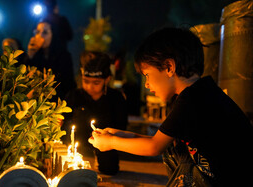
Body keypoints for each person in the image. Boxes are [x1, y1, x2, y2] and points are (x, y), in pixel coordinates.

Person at [89, 27, 253, 186]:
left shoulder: (192, 99)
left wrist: (111, 143)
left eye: (147, 75)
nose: (146, 84)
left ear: (169, 67)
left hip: (233, 181)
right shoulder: (200, 92)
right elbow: (162, 140)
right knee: (173, 147)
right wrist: (118, 135)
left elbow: (154, 147)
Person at [62, 51, 127, 175]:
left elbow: (122, 127)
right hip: (78, 143)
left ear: (107, 79)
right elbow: (64, 121)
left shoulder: (116, 98)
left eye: (96, 83)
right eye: (86, 81)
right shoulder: (74, 96)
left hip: (106, 144)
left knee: (109, 169)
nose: (90, 86)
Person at [25, 17, 76, 99]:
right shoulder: (35, 55)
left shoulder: (64, 56)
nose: (40, 35)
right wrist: (30, 55)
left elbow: (67, 85)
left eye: (45, 32)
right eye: (37, 32)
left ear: (54, 35)